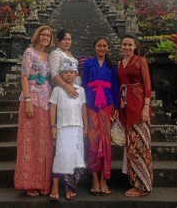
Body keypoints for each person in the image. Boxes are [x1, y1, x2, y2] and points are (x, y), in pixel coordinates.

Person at [14, 25, 54, 197]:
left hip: (45, 101)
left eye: (48, 35)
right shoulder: (29, 52)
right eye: (43, 34)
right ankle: (29, 182)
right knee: (29, 141)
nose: (45, 37)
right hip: (31, 100)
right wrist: (28, 100)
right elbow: (24, 77)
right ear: (37, 36)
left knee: (43, 142)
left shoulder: (49, 56)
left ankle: (42, 182)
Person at [117, 32, 153, 197]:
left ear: (135, 46)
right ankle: (134, 182)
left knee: (140, 146)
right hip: (125, 107)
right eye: (124, 44)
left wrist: (146, 107)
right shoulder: (119, 63)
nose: (127, 47)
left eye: (130, 45)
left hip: (139, 107)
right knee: (131, 147)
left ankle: (143, 185)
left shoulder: (141, 61)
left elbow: (147, 85)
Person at [82, 36, 119, 196]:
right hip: (91, 105)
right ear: (94, 47)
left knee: (106, 142)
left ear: (108, 48)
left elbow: (115, 87)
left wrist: (117, 106)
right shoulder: (88, 64)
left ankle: (104, 179)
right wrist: (81, 105)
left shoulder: (112, 66)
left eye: (104, 46)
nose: (102, 48)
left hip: (107, 105)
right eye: (99, 46)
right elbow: (83, 85)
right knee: (93, 141)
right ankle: (94, 179)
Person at [49, 61, 88, 201]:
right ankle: (54, 187)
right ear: (61, 74)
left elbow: (83, 109)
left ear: (76, 74)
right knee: (61, 155)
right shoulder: (57, 90)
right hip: (62, 127)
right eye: (65, 72)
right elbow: (52, 108)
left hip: (77, 127)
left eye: (71, 72)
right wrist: (52, 126)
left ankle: (69, 187)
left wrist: (86, 126)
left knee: (74, 157)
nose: (69, 74)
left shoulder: (81, 90)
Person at [49, 29, 81, 98]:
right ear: (58, 41)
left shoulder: (70, 54)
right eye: (64, 39)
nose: (67, 42)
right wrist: (66, 87)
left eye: (69, 39)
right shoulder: (55, 54)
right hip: (62, 89)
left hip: (74, 87)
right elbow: (54, 74)